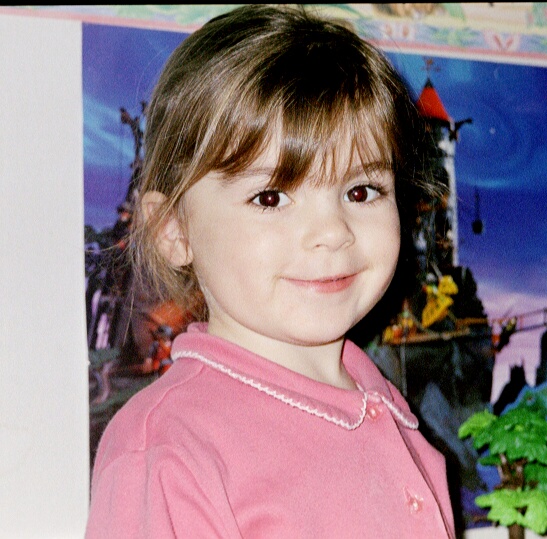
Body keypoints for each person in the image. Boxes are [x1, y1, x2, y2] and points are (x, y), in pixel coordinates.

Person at [85, 5, 455, 538]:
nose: (332, 231)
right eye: (271, 197)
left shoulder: (387, 408)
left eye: (361, 191)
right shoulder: (167, 448)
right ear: (174, 230)